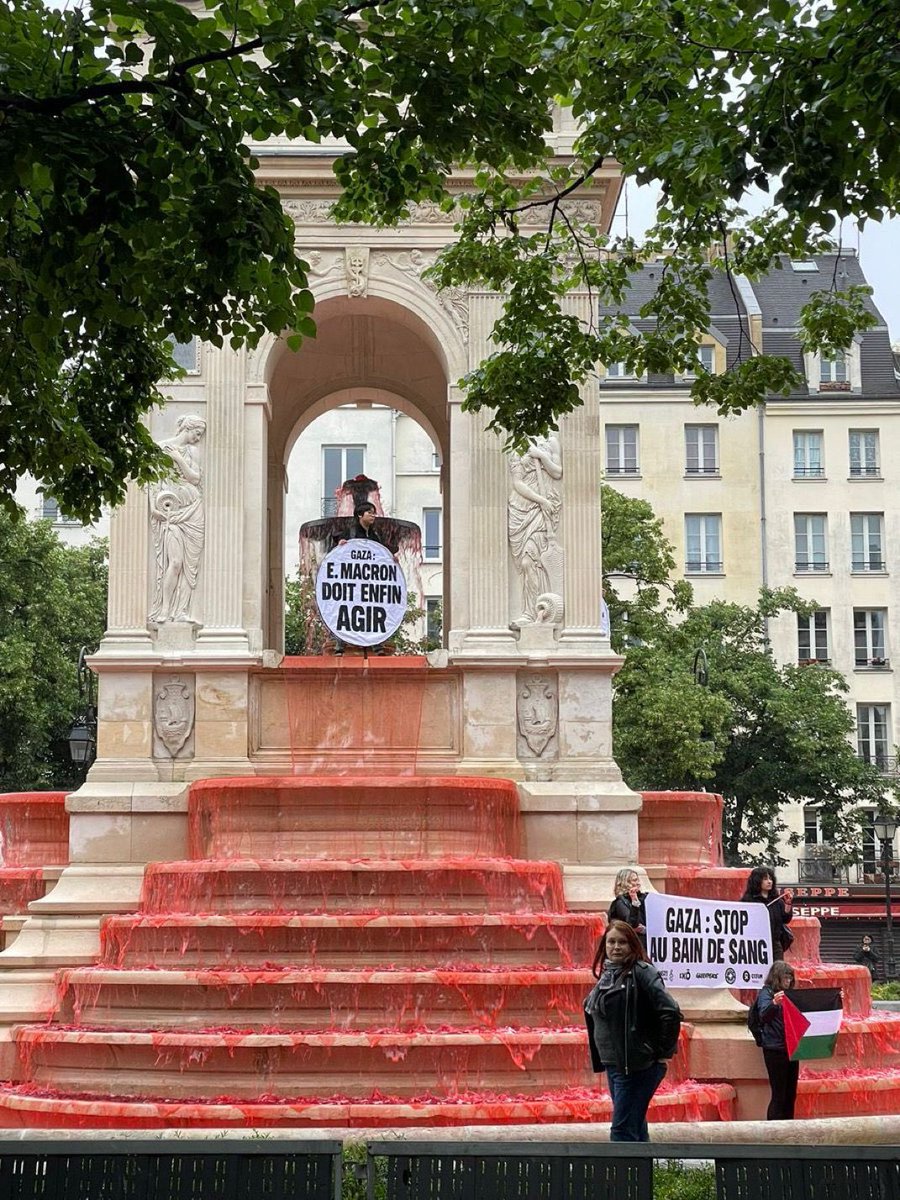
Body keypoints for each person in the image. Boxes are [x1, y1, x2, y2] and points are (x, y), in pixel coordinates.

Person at [584, 920, 682, 1142]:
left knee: (621, 1131)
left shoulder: (642, 972)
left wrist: (657, 1051)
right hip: (615, 1064)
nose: (616, 947)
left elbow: (671, 1011)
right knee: (634, 1124)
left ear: (632, 945)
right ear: (604, 945)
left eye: (622, 942)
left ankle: (622, 1176)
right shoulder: (607, 977)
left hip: (636, 1066)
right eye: (611, 942)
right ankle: (643, 1174)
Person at [149, 415, 206, 625]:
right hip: (171, 510)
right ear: (187, 428)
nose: (198, 438)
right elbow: (151, 480)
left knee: (191, 566)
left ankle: (181, 611)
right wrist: (152, 507)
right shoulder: (161, 448)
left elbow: (195, 478)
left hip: (194, 509)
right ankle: (164, 610)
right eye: (197, 433)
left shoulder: (192, 452)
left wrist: (179, 459)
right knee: (175, 562)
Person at [332, 501, 388, 656]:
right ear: (359, 515)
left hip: (368, 583)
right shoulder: (349, 533)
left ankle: (377, 645)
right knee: (346, 608)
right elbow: (336, 550)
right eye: (370, 512)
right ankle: (339, 646)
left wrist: (391, 559)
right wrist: (340, 543)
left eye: (374, 513)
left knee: (372, 610)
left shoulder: (374, 535)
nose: (373, 516)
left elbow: (381, 554)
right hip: (351, 582)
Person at [755, 960, 799, 1120]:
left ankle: (788, 1127)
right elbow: (763, 1015)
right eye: (785, 978)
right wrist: (774, 1003)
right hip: (775, 1049)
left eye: (790, 978)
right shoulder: (766, 993)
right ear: (777, 978)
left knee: (790, 1094)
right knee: (779, 1094)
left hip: (791, 1048)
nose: (788, 982)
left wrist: (836, 998)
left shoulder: (791, 994)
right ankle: (773, 1130)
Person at [741, 866, 793, 961]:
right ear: (757, 881)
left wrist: (788, 904)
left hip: (775, 945)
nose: (769, 882)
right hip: (755, 944)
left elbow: (786, 919)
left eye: (771, 879)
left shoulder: (778, 901)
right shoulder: (748, 901)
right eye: (765, 879)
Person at [608, 868, 648, 947]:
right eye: (634, 880)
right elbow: (631, 924)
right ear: (625, 882)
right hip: (631, 946)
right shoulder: (620, 903)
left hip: (646, 944)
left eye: (637, 880)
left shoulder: (644, 898)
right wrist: (635, 902)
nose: (638, 883)